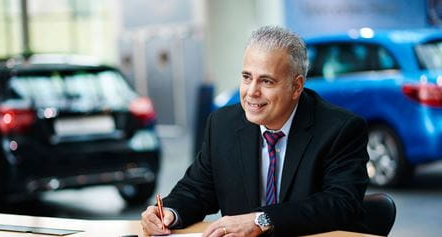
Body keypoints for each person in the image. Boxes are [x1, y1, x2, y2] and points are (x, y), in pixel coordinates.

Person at [141, 26, 369, 237]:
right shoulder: (223, 125)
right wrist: (169, 212)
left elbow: (340, 204)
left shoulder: (341, 129)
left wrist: (262, 220)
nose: (251, 92)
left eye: (266, 81)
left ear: (296, 87)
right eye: (246, 77)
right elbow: (197, 190)